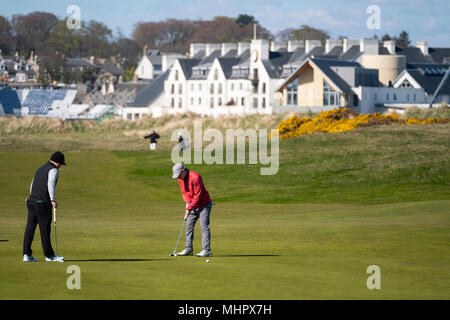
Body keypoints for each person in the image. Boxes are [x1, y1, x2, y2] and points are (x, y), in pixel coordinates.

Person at [23, 152, 66, 262]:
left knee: (30, 228)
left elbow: (32, 184)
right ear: (57, 162)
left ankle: (26, 255)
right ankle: (50, 256)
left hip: (31, 201)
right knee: (45, 230)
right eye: (61, 164)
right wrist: (52, 200)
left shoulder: (40, 169)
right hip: (42, 203)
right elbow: (50, 183)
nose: (61, 166)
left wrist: (32, 197)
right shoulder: (53, 170)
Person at [172, 163, 213, 257]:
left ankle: (207, 250)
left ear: (183, 171)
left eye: (179, 174)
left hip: (204, 205)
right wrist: (187, 204)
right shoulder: (180, 179)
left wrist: (189, 208)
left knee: (204, 227)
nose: (178, 177)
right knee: (189, 227)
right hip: (192, 205)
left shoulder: (195, 177)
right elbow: (184, 192)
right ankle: (188, 249)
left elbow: (198, 196)